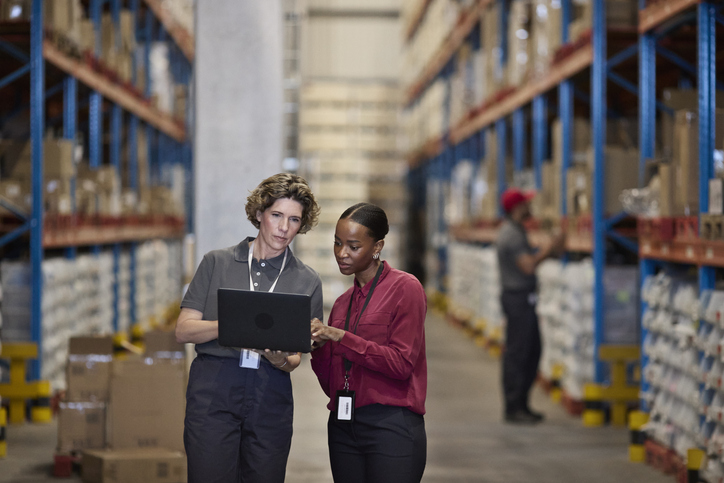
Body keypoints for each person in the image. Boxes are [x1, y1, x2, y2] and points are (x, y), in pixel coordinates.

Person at [175, 173, 323, 483]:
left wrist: (279, 357)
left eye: (294, 220)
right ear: (259, 214)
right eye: (277, 215)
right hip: (214, 389)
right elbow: (184, 330)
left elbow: (296, 358)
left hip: (271, 393)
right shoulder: (217, 263)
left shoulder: (307, 281)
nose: (284, 228)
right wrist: (232, 325)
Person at [310, 202, 428, 483]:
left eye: (353, 246)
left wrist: (342, 337)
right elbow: (330, 384)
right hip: (343, 425)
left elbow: (401, 364)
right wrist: (318, 349)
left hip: (390, 426)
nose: (342, 254)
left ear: (377, 246)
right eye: (337, 243)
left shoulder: (405, 288)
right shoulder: (341, 305)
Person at [496, 188, 565, 424]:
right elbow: (527, 266)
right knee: (519, 353)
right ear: (517, 208)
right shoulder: (511, 235)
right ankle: (514, 407)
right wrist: (550, 248)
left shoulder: (515, 231)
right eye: (525, 204)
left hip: (522, 298)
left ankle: (521, 404)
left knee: (531, 351)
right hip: (517, 299)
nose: (529, 207)